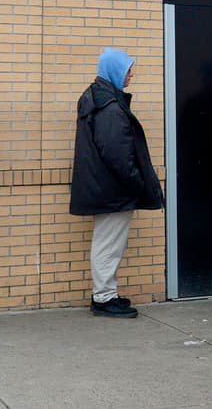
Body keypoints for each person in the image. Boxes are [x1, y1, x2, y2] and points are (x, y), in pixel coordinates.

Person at [69, 48, 164, 318]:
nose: (131, 75)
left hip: (105, 187)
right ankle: (103, 298)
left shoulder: (98, 98)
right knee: (109, 245)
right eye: (127, 70)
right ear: (114, 71)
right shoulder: (109, 106)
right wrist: (136, 182)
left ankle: (106, 293)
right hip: (113, 190)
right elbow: (117, 154)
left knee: (107, 242)